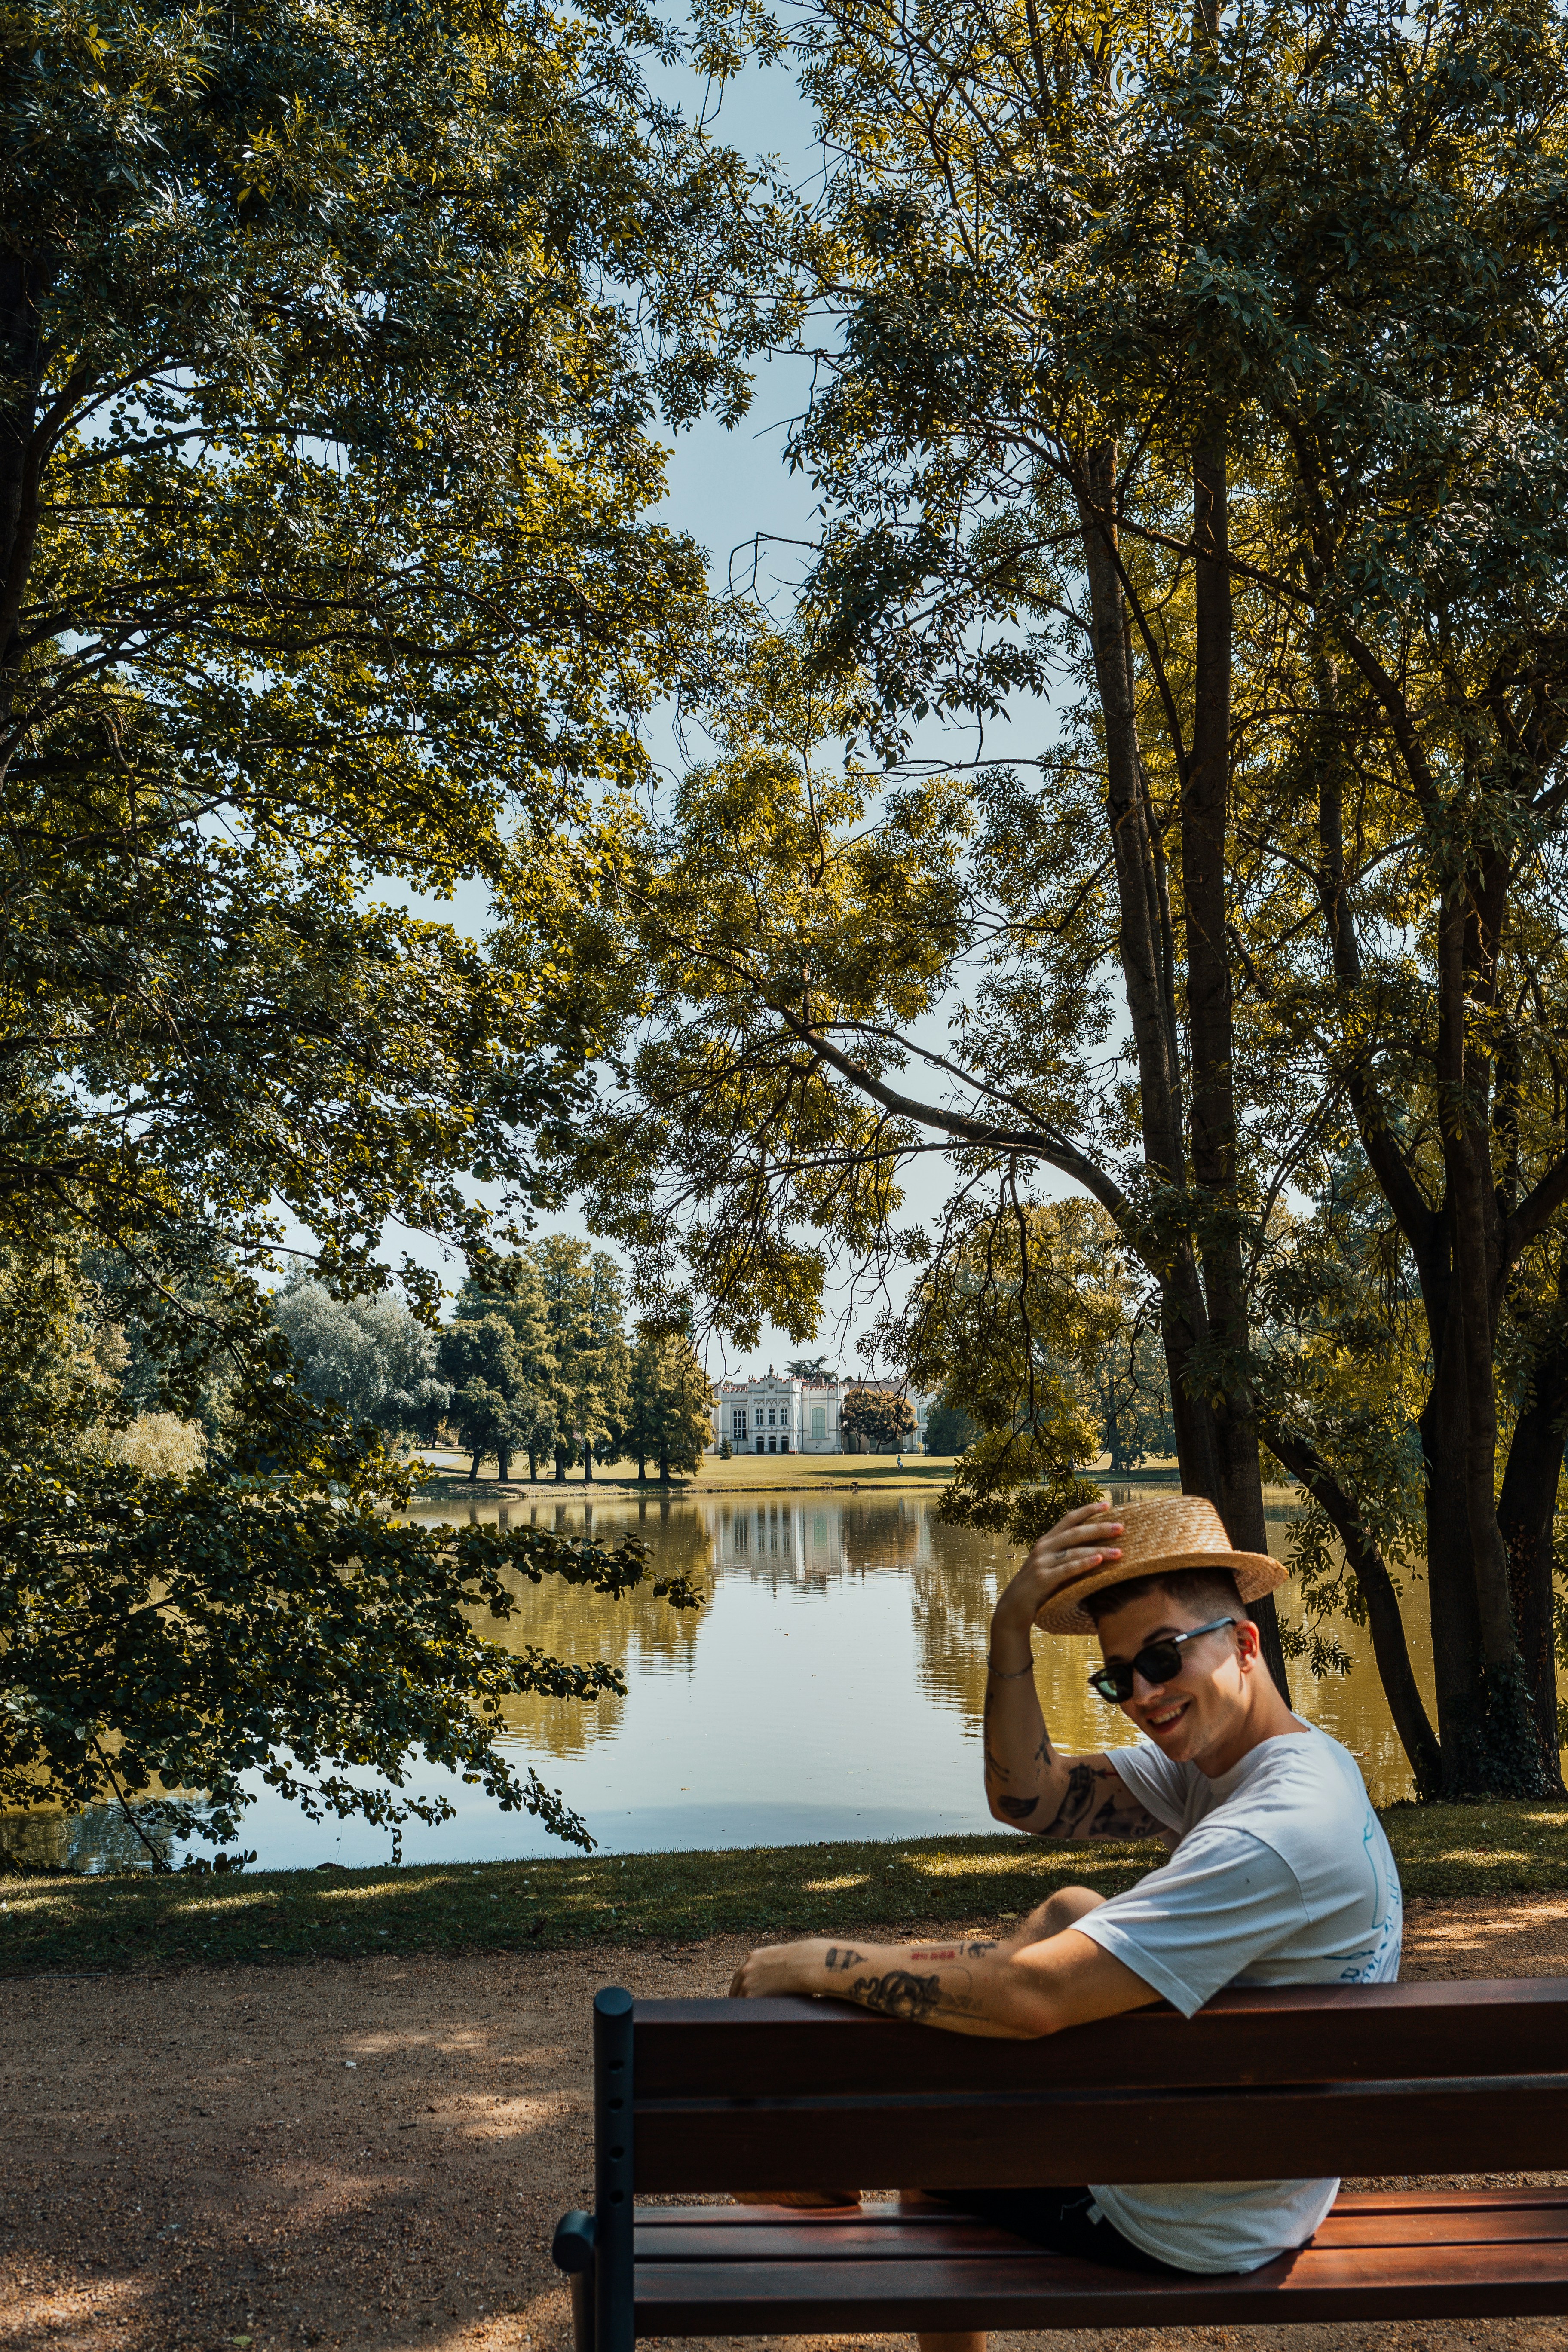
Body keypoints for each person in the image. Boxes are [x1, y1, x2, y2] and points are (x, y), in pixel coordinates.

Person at [729, 1492, 1403, 2338]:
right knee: (1071, 1908)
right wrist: (1008, 1631)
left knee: (937, 2152)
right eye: (1118, 1676)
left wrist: (812, 1961)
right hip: (1260, 2164)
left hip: (1193, 2214)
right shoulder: (1260, 1760)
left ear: (1243, 1642)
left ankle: (835, 2168)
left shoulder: (1274, 1834)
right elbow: (1031, 1796)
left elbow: (1032, 2000)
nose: (1142, 1696)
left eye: (1161, 1660)